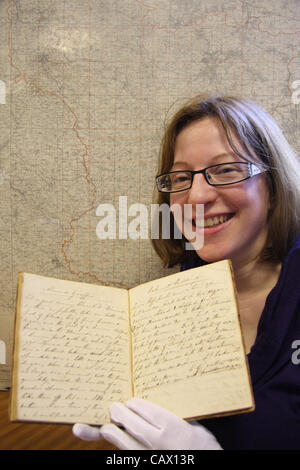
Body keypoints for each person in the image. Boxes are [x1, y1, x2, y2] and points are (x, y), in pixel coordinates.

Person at [73, 95, 300, 450]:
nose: (195, 196)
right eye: (181, 177)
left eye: (226, 169)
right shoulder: (166, 307)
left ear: (272, 188)